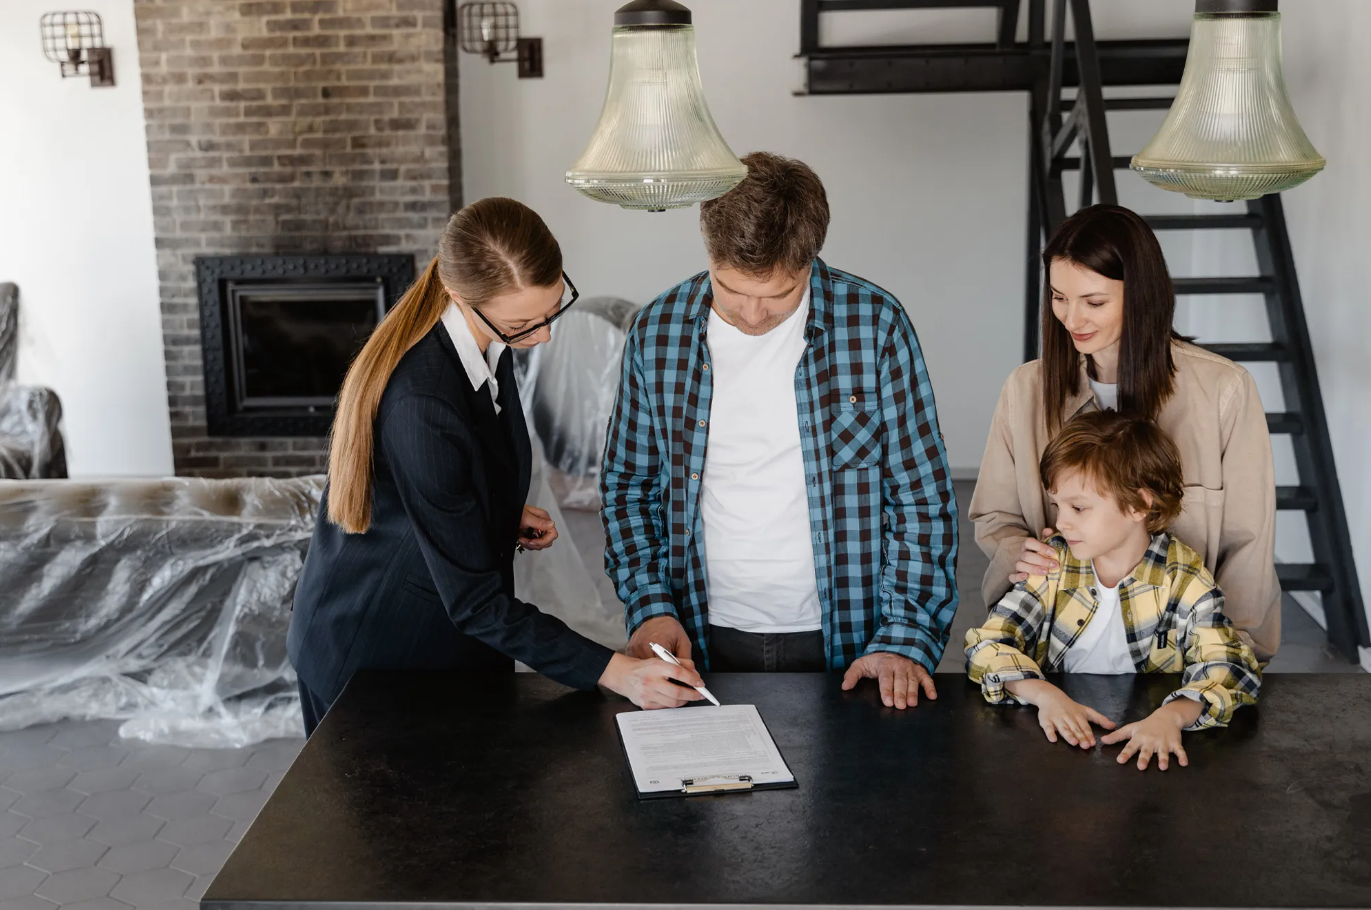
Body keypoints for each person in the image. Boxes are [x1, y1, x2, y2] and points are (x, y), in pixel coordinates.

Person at [287, 197, 703, 736]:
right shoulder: (423, 401)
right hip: (375, 653)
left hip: (437, 646)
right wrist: (616, 671)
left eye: (554, 307)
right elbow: (475, 604)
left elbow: (442, 476)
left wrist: (491, 513)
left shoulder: (486, 339)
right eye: (524, 323)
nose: (545, 335)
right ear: (461, 297)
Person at [600, 151, 958, 710]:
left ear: (811, 261)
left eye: (778, 296)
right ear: (709, 255)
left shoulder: (876, 325)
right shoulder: (656, 331)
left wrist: (905, 637)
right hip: (700, 630)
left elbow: (920, 496)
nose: (751, 315)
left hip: (849, 635)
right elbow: (629, 487)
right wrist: (650, 605)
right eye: (731, 289)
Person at [969, 203, 1281, 660]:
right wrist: (1019, 551)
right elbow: (995, 518)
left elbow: (1248, 546)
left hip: (1184, 658)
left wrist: (1228, 662)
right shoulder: (1025, 390)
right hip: (1057, 650)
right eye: (1059, 297)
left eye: (1094, 302)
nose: (1072, 319)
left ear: (1140, 295)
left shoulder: (1224, 391)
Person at [965, 410, 1262, 771]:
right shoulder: (1052, 563)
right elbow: (988, 643)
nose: (1060, 522)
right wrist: (1044, 695)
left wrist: (1173, 716)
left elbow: (1230, 665)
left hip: (1146, 751)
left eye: (1078, 507)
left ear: (1139, 504)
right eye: (1058, 505)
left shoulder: (1184, 577)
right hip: (1057, 747)